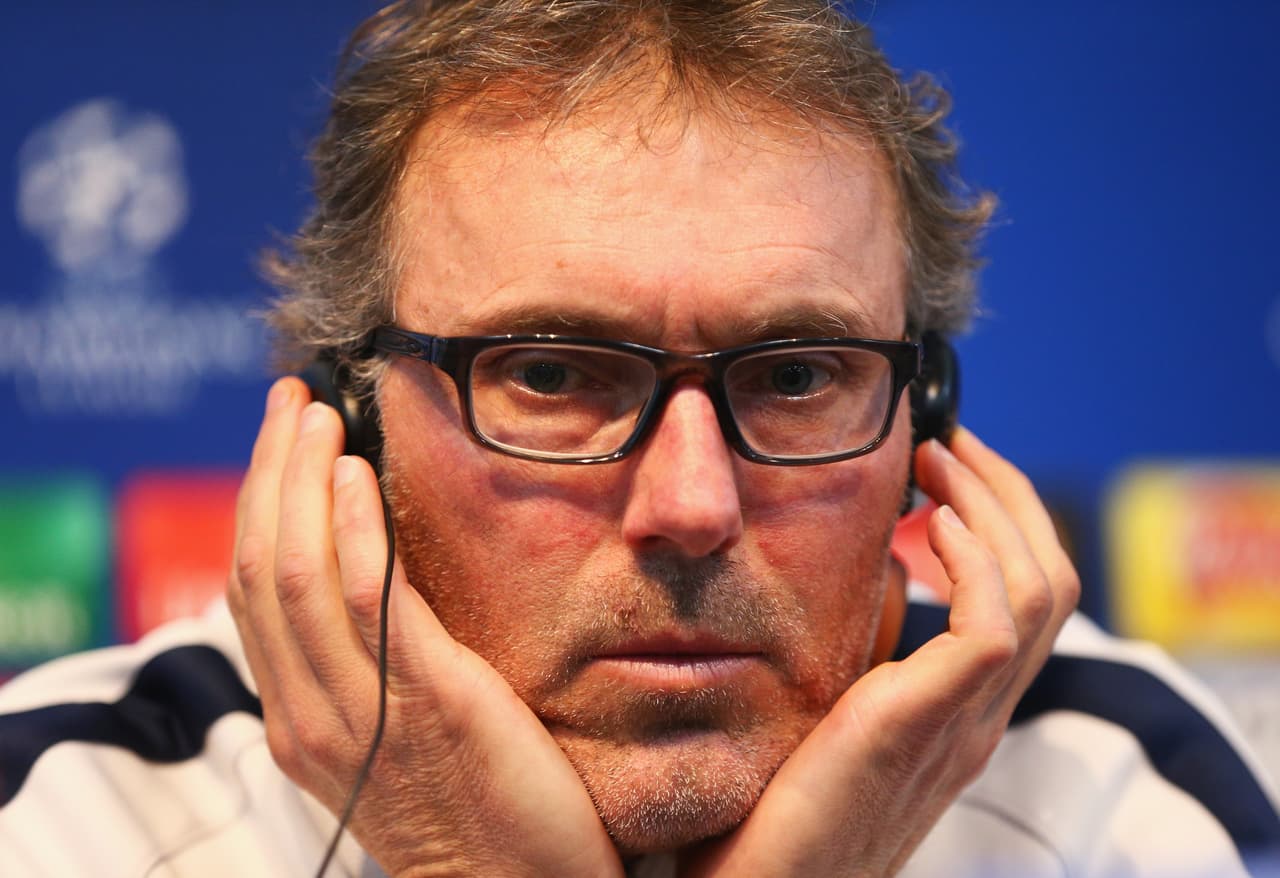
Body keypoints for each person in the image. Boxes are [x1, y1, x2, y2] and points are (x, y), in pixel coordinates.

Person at [2, 2, 1278, 876]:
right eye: (550, 372)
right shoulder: (62, 815)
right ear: (348, 426)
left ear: (923, 422)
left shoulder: (1120, 791)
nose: (687, 502)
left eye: (793, 375)